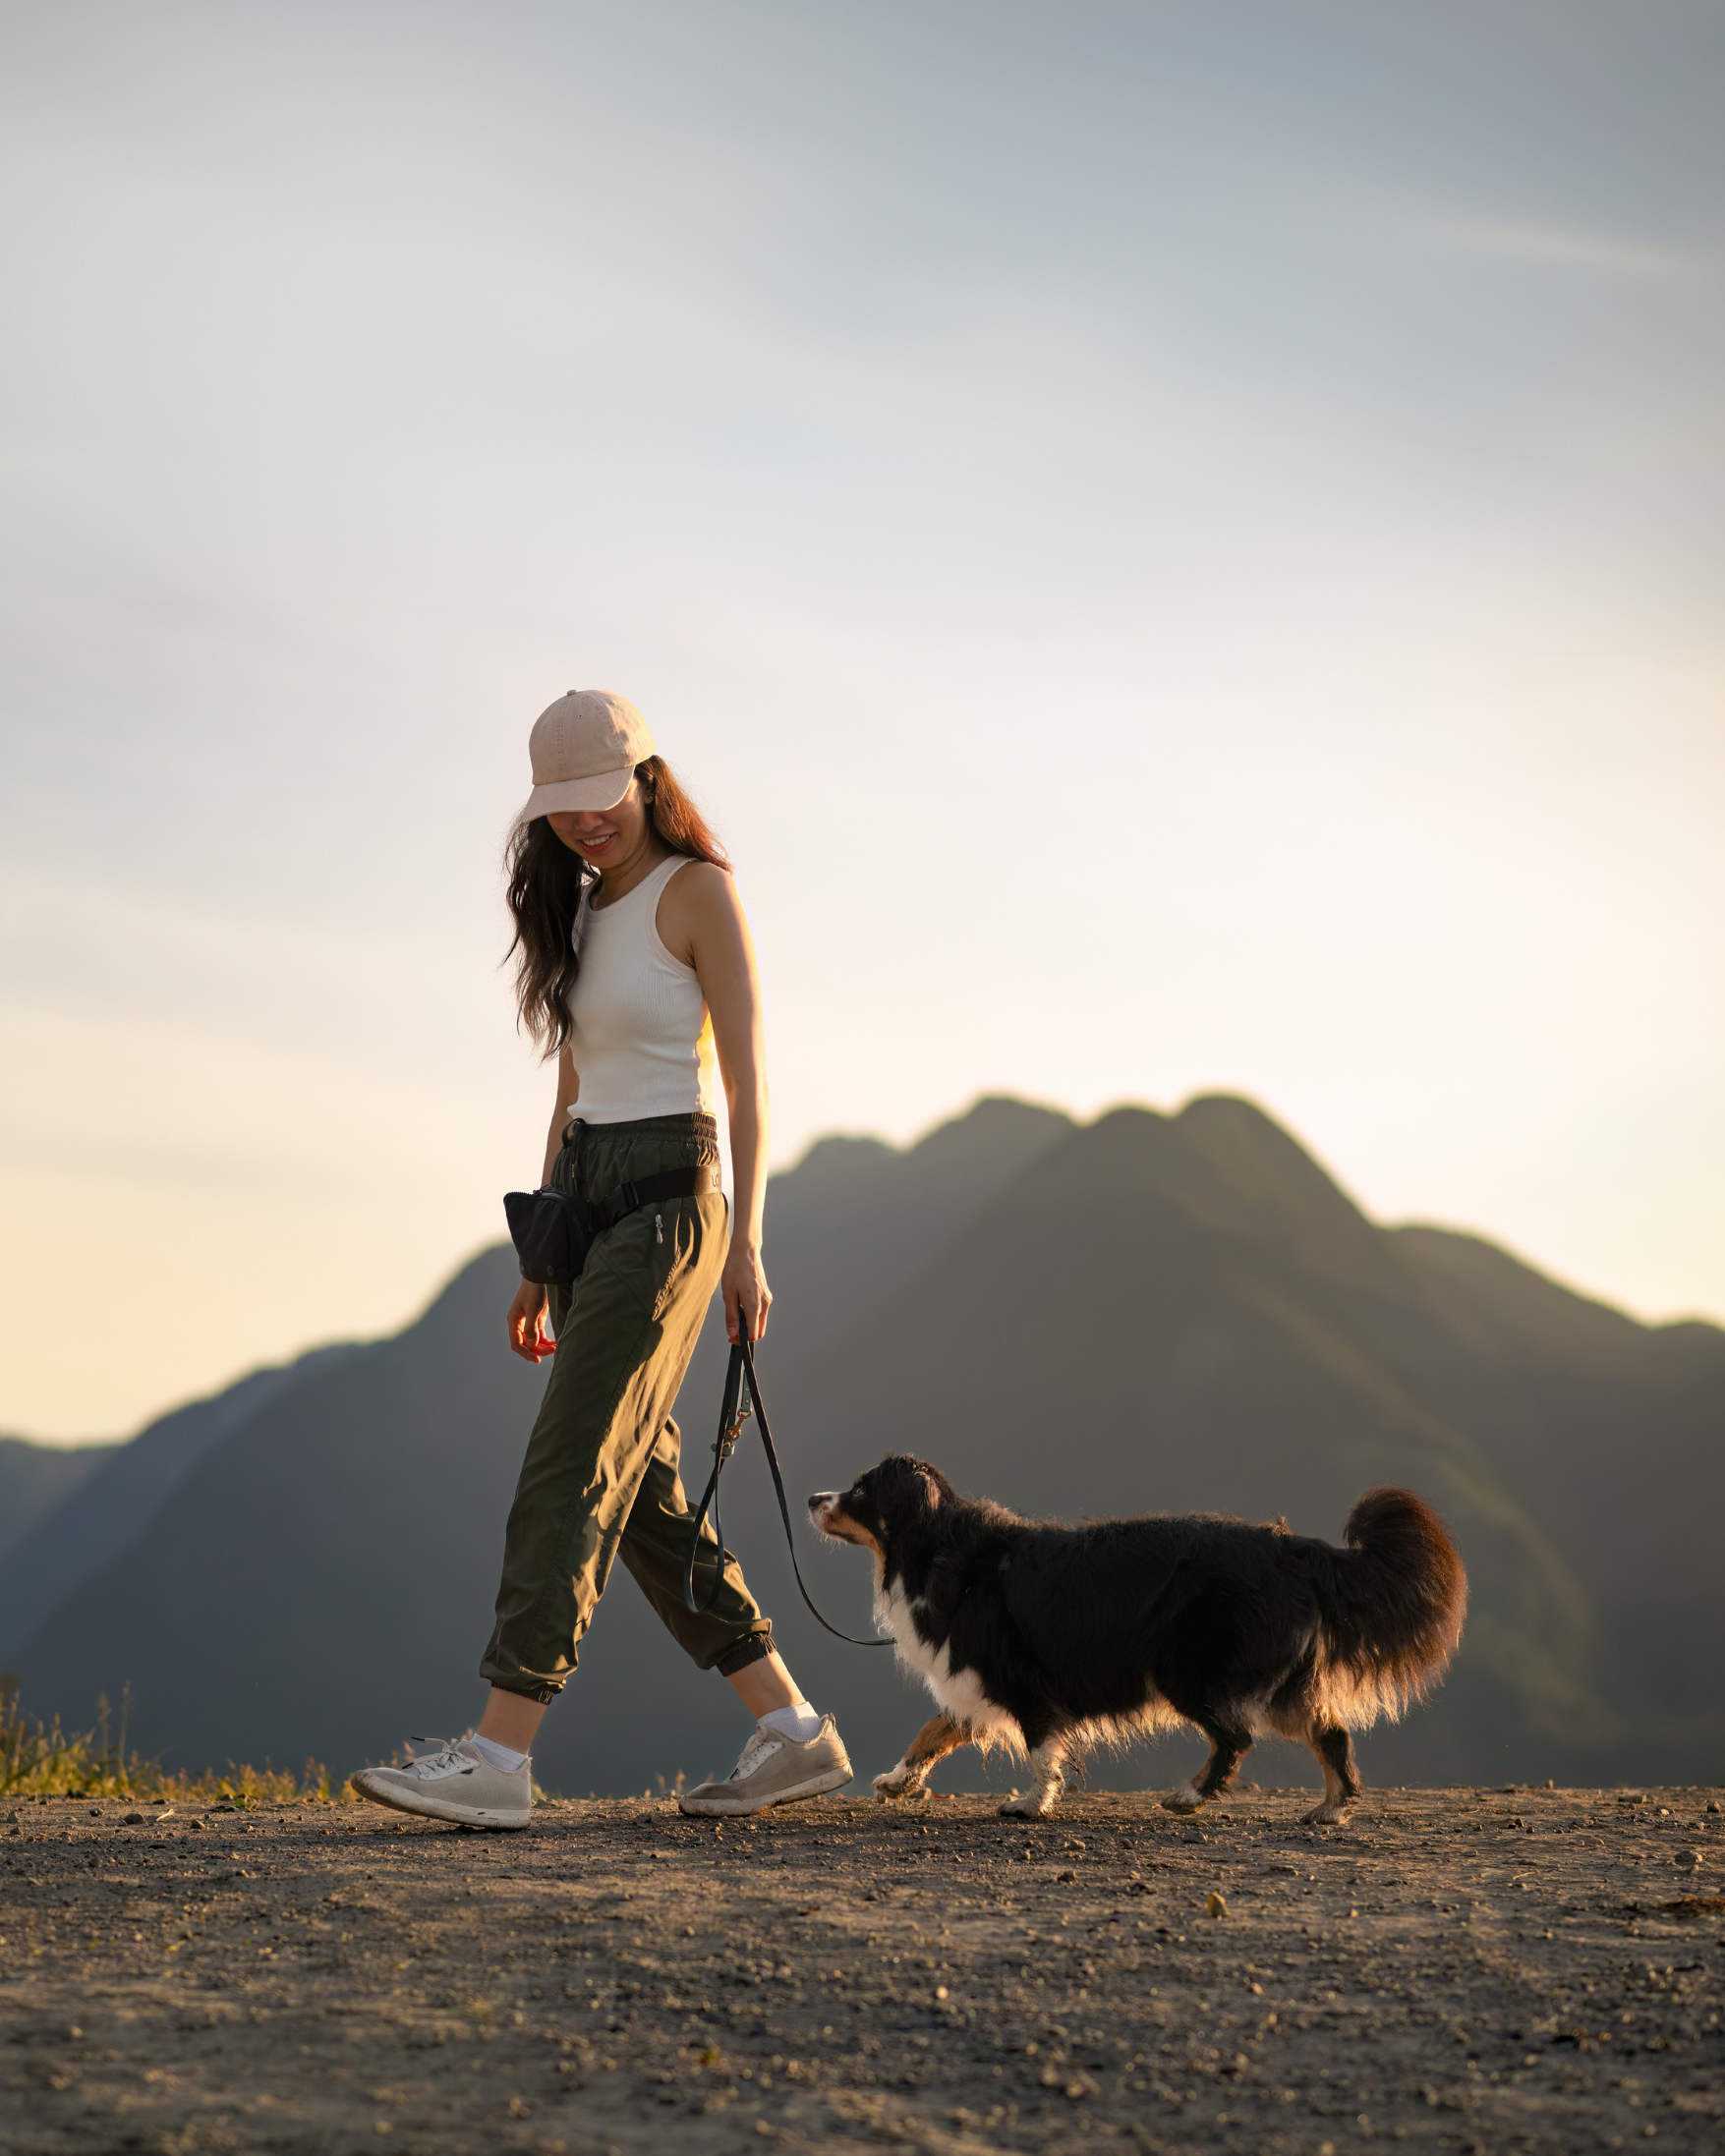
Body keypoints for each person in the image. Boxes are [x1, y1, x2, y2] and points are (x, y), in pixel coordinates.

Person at [353, 691, 853, 1829]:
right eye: (562, 808)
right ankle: (790, 1728)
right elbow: (574, 1093)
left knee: (568, 1461)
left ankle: (500, 1752)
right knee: (637, 1492)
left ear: (644, 775)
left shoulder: (698, 893)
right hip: (591, 1200)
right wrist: (541, 1247)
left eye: (599, 797)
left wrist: (748, 1244)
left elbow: (748, 1085)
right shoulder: (580, 915)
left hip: (677, 1203)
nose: (585, 823)